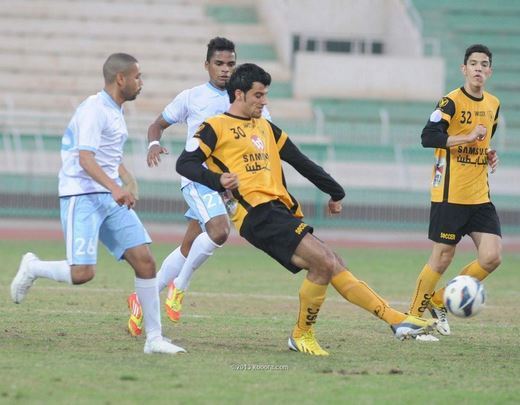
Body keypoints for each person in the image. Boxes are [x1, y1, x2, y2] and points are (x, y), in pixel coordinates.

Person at [175, 63, 436, 356]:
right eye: (258, 95)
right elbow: (183, 163)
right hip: (256, 214)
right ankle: (303, 335)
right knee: (323, 262)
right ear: (239, 94)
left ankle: (396, 321)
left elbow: (300, 161)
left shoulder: (266, 127)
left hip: (280, 211)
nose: (264, 101)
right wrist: (216, 179)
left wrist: (336, 191)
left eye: (265, 95)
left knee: (333, 263)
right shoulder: (214, 127)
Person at [10, 53, 185, 355]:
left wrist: (127, 178)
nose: (140, 83)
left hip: (107, 195)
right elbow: (85, 158)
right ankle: (33, 267)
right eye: (137, 77)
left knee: (145, 261)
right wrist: (116, 188)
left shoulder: (115, 111)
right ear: (121, 79)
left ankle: (154, 339)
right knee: (82, 274)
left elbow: (107, 156)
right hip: (82, 195)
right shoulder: (93, 109)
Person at [126, 37, 271, 336]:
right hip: (198, 179)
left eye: (230, 64)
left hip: (226, 186)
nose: (224, 69)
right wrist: (154, 144)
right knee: (218, 231)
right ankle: (178, 289)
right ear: (206, 65)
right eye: (218, 63)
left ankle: (141, 298)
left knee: (189, 246)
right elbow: (157, 125)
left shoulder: (246, 98)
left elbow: (267, 137)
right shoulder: (192, 97)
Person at [407, 44, 501, 336]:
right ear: (464, 69)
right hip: (450, 194)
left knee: (492, 257)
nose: (478, 68)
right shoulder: (450, 102)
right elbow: (428, 137)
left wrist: (487, 153)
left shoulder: (493, 104)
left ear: (489, 71)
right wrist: (466, 136)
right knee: (442, 257)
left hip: (480, 196)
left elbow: (481, 143)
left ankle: (439, 299)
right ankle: (412, 321)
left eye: (484, 64)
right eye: (473, 63)